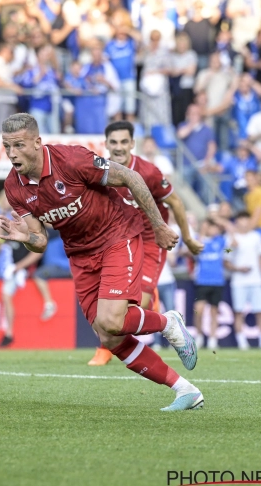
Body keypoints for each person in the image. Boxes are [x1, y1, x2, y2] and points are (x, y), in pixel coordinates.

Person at [0, 113, 202, 411]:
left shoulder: (71, 160)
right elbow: (40, 241)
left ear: (37, 142)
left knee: (110, 320)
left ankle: (168, 323)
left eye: (18, 145)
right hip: (81, 255)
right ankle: (186, 391)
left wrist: (158, 225)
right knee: (107, 337)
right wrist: (25, 238)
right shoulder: (14, 187)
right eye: (7, 146)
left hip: (117, 237)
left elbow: (131, 177)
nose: (12, 153)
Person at [86, 121, 204, 367]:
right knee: (103, 303)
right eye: (113, 142)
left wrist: (189, 238)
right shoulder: (97, 171)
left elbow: (177, 203)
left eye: (123, 142)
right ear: (106, 144)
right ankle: (105, 348)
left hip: (149, 240)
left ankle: (158, 310)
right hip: (116, 241)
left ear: (132, 143)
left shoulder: (148, 172)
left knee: (137, 306)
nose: (118, 147)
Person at [0, 216, 42, 348]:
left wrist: (18, 267)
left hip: (20, 271)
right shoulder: (10, 235)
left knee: (6, 295)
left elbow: (38, 253)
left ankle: (9, 332)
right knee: (5, 295)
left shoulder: (28, 235)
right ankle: (8, 332)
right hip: (8, 270)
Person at [227, 211, 261, 350]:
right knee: (239, 312)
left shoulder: (256, 237)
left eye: (247, 219)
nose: (245, 222)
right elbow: (225, 258)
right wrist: (233, 251)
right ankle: (242, 342)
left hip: (256, 280)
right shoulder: (231, 238)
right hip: (238, 281)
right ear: (237, 222)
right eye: (241, 219)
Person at [193, 219, 228, 350]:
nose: (213, 230)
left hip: (217, 281)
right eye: (210, 227)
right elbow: (195, 250)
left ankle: (213, 338)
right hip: (202, 280)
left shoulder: (220, 241)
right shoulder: (198, 240)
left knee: (214, 311)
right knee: (199, 311)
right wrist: (202, 232)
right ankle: (199, 336)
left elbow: (231, 248)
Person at [32, 229, 71, 322]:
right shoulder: (43, 233)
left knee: (39, 275)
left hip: (62, 267)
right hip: (52, 267)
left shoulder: (62, 233)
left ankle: (49, 304)